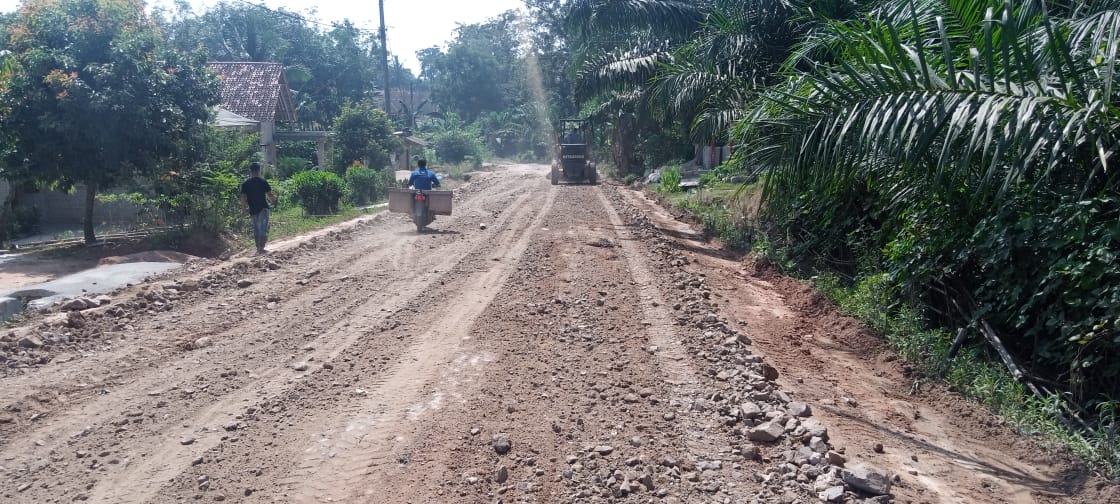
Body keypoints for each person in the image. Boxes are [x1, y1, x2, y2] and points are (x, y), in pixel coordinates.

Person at [240, 162, 277, 254]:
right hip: (263, 208)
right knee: (263, 228)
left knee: (256, 228)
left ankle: (258, 248)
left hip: (253, 209)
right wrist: (274, 199)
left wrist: (243, 210)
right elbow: (270, 195)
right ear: (259, 170)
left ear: (250, 171)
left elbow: (243, 198)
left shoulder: (245, 184)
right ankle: (261, 248)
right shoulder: (263, 181)